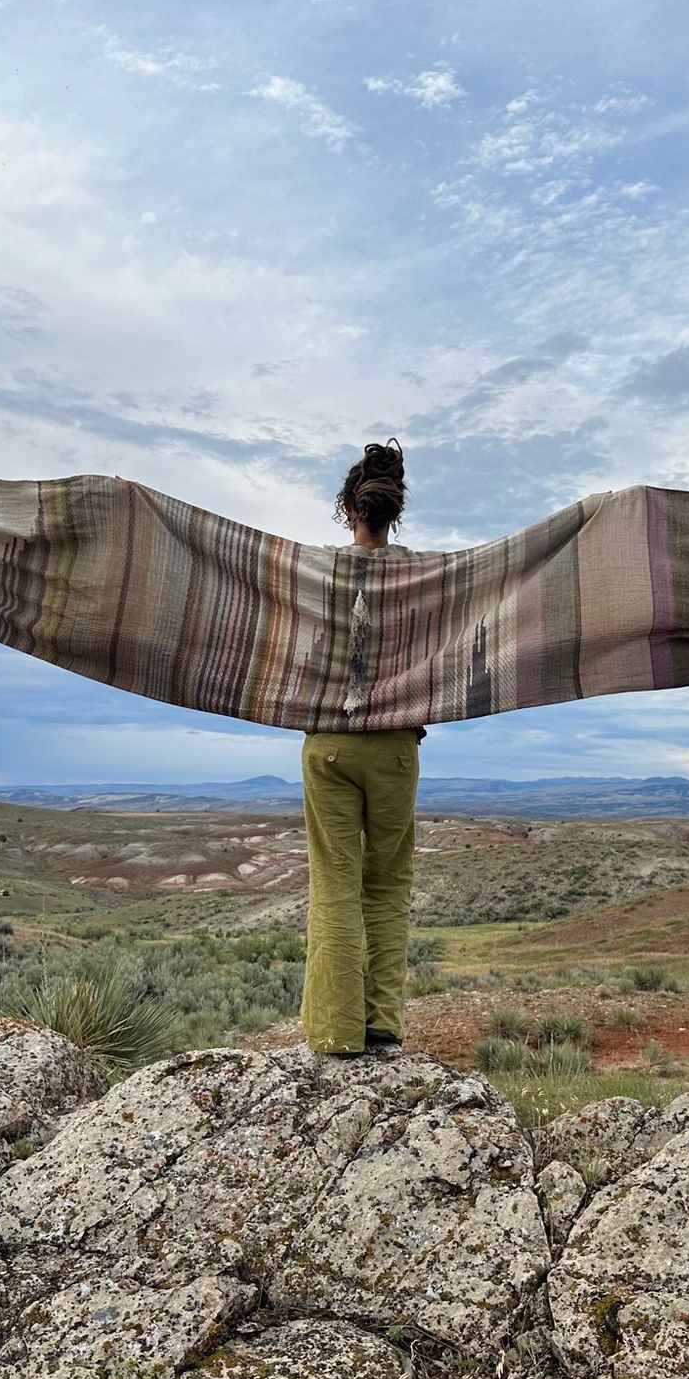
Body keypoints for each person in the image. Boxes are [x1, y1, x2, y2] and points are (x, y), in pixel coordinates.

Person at [299, 440, 423, 1058]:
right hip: (395, 747)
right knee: (388, 883)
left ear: (348, 508)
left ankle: (335, 1032)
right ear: (394, 513)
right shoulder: (424, 577)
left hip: (328, 743)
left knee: (336, 882)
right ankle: (382, 1028)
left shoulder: (314, 572)